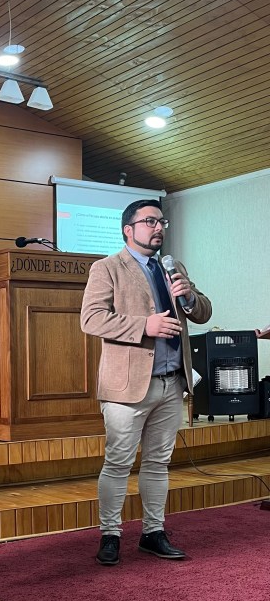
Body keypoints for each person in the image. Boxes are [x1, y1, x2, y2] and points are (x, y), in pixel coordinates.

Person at [80, 200, 212, 566]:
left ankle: (153, 532)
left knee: (157, 463)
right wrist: (144, 326)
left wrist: (189, 297)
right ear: (128, 229)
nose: (158, 227)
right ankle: (110, 535)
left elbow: (203, 312)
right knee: (118, 463)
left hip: (172, 383)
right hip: (128, 387)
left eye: (161, 221)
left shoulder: (173, 267)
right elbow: (91, 319)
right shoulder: (107, 268)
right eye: (150, 221)